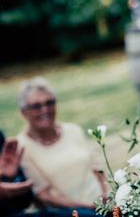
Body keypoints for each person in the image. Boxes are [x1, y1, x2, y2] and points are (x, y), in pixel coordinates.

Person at [16, 77, 108, 216]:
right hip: (69, 212)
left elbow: (98, 171)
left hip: (103, 204)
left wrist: (107, 194)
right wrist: (89, 207)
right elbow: (45, 196)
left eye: (49, 102)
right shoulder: (21, 146)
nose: (45, 109)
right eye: (36, 106)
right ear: (24, 112)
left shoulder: (73, 130)